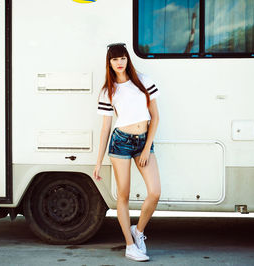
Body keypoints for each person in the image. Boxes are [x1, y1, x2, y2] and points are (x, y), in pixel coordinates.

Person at [93, 43, 161, 262]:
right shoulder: (108, 90)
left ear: (127, 59)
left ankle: (138, 231)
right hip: (120, 142)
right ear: (109, 63)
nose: (119, 63)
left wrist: (146, 148)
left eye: (122, 58)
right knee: (123, 195)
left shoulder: (143, 81)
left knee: (155, 192)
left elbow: (155, 117)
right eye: (114, 60)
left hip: (143, 142)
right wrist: (98, 161)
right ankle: (130, 246)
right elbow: (105, 128)